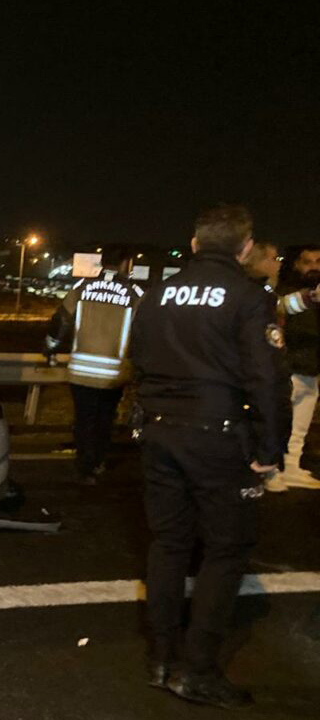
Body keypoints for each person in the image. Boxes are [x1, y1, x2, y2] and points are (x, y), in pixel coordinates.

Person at [130, 204, 290, 708]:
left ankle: (161, 658)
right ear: (244, 248)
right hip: (218, 435)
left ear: (195, 244)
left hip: (158, 431)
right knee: (226, 549)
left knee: (169, 544)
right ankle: (197, 669)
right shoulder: (248, 296)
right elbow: (267, 378)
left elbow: (136, 359)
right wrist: (270, 449)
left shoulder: (156, 294)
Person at [45, 249, 145, 484]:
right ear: (125, 264)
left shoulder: (81, 287)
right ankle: (98, 462)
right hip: (114, 372)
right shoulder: (135, 293)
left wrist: (50, 347)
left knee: (84, 419)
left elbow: (61, 320)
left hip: (81, 370)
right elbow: (144, 332)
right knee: (104, 418)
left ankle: (84, 466)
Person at [271, 245, 320, 490]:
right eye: (307, 261)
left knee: (299, 426)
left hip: (310, 368)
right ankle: (272, 470)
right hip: (289, 368)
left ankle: (291, 467)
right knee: (278, 422)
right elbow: (279, 313)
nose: (313, 266)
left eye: (318, 261)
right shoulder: (288, 293)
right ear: (296, 265)